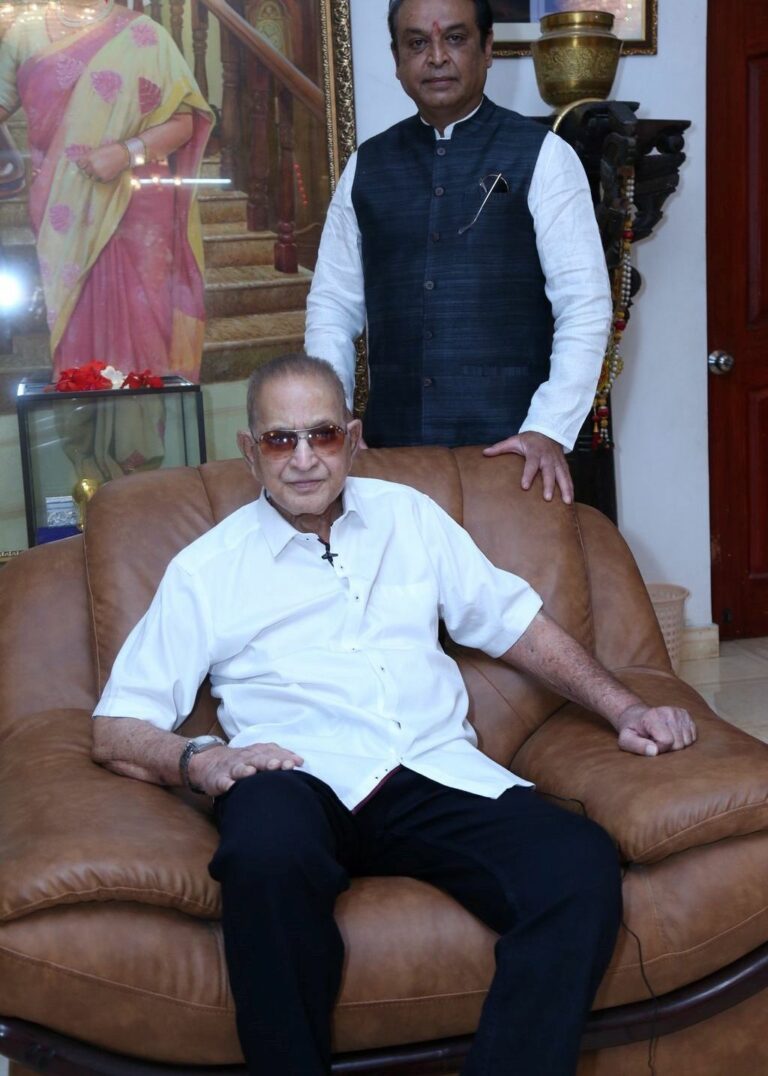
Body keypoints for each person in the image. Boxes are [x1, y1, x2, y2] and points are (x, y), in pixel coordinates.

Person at [91, 354, 696, 1076]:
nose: (305, 460)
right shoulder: (206, 569)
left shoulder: (409, 516)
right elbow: (115, 728)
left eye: (322, 435)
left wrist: (623, 706)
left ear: (352, 439)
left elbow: (516, 625)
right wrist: (200, 759)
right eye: (281, 440)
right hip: (295, 776)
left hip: (431, 769)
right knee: (263, 849)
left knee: (578, 865)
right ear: (250, 451)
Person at [304, 0, 612, 505]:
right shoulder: (367, 166)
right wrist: (329, 420)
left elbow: (585, 304)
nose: (436, 57)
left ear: (487, 48)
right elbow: (332, 306)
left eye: (455, 38)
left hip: (513, 460)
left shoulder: (544, 156)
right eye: (417, 43)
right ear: (397, 59)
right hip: (391, 459)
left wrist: (549, 428)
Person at [0, 0, 212, 379]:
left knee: (143, 326)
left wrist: (125, 153)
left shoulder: (145, 35)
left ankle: (143, 416)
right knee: (75, 323)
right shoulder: (24, 31)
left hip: (137, 209)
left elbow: (183, 123)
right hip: (63, 207)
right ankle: (82, 409)